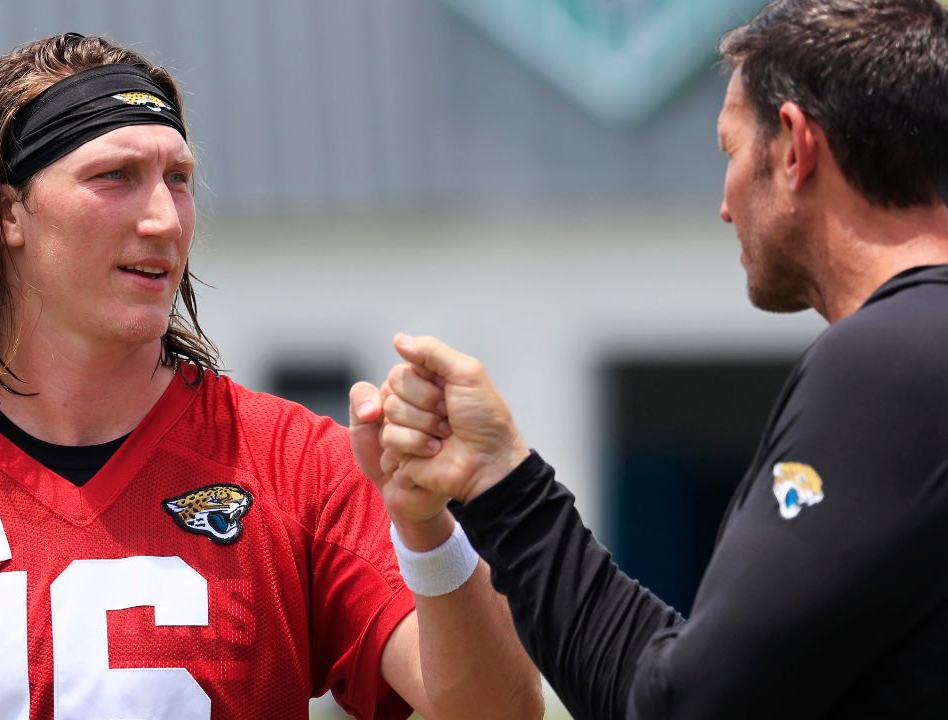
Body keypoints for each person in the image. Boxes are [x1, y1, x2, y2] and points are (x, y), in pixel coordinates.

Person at [0, 34, 540, 720]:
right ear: (5, 213)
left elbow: (497, 710)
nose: (162, 218)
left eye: (178, 178)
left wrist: (427, 529)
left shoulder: (299, 469)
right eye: (115, 177)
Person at [353, 0, 948, 718]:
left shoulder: (887, 364)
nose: (724, 204)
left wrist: (503, 488)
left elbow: (680, 706)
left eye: (729, 151)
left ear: (794, 148)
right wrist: (501, 479)